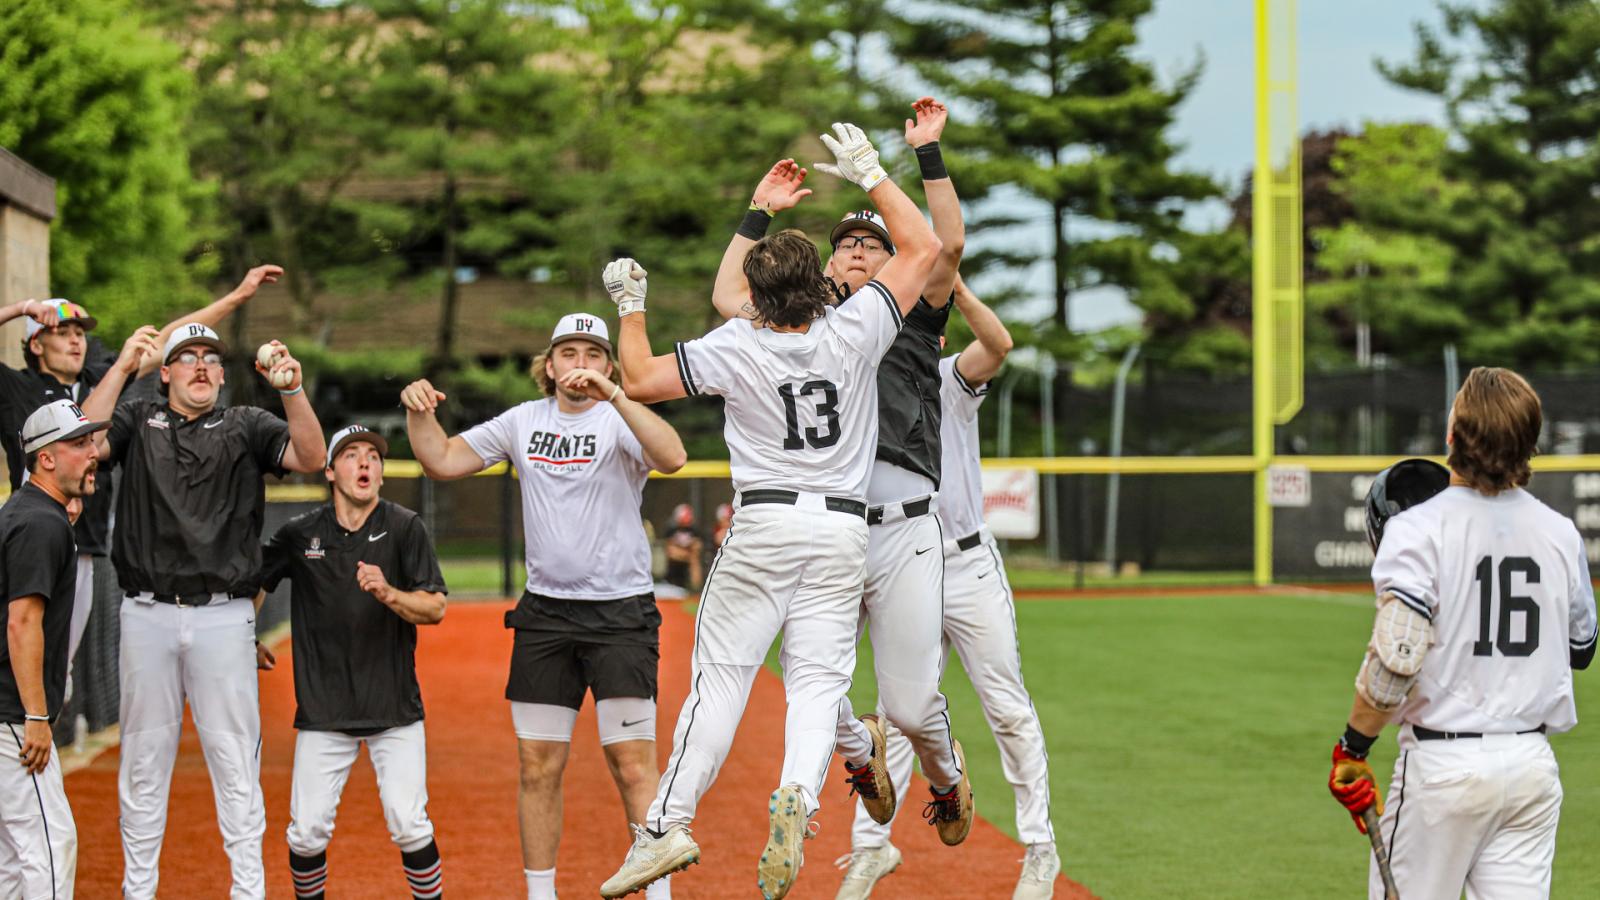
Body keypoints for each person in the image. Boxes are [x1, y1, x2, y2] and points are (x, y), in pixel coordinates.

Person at [599, 120, 945, 900]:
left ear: (756, 296)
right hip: (840, 528)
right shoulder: (854, 326)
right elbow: (920, 250)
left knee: (722, 679)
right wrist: (869, 173)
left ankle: (666, 824)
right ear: (819, 285)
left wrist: (631, 302)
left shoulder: (738, 342)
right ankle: (798, 794)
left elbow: (642, 373)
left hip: (761, 525)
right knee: (819, 683)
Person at [708, 100, 974, 845]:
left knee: (915, 708)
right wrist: (758, 214)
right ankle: (861, 757)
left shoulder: (912, 309)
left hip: (906, 526)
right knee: (811, 687)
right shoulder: (808, 316)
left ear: (897, 258)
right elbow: (729, 298)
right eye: (847, 243)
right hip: (830, 526)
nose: (858, 251)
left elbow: (945, 241)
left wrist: (911, 162)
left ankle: (947, 780)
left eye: (873, 243)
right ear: (827, 263)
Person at [401, 312, 687, 900]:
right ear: (549, 364)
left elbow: (673, 456)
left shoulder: (620, 419)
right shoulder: (522, 421)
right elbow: (444, 460)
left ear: (608, 365)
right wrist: (417, 412)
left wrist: (617, 394)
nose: (579, 363)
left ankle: (655, 893)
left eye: (593, 353)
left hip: (621, 615)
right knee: (537, 767)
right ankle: (540, 894)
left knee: (633, 766)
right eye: (568, 352)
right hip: (546, 617)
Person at [78, 320, 327, 900]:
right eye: (186, 357)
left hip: (222, 615)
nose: (199, 366)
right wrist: (120, 370)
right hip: (147, 612)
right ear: (164, 373)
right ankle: (138, 891)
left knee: (235, 762)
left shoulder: (246, 423)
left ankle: (248, 891)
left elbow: (312, 456)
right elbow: (85, 441)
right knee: (144, 762)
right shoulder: (138, 418)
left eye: (210, 359)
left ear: (221, 373)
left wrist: (291, 388)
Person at [1326, 367, 1597, 899]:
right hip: (1530, 770)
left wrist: (1353, 748)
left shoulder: (1419, 527)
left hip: (1443, 771)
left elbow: (1396, 658)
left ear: (1452, 437)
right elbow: (1582, 648)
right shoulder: (1559, 532)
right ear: (1529, 444)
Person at [836, 276, 1058, 898]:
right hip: (900, 560)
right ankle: (870, 849)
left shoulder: (944, 373)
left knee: (1006, 705)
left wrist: (954, 288)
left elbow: (999, 343)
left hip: (963, 564)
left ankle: (1040, 847)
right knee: (898, 712)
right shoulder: (847, 378)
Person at [0, 268, 281, 682]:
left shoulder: (99, 377)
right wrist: (23, 308)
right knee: (18, 649)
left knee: (59, 668)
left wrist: (238, 296)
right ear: (36, 343)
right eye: (63, 331)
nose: (77, 339)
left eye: (81, 331)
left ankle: (40, 733)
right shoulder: (16, 386)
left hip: (82, 547)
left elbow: (170, 338)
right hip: (33, 537)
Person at [261, 425, 448, 900]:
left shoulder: (406, 527)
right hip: (324, 711)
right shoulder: (300, 534)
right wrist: (245, 633)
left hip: (393, 708)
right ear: (329, 470)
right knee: (305, 833)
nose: (365, 463)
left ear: (381, 475)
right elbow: (254, 581)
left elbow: (435, 608)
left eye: (373, 457)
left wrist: (389, 592)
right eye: (351, 455)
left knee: (409, 824)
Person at [0, 400, 109, 898]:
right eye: (80, 444)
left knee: (11, 860)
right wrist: (37, 718)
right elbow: (22, 622)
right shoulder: (40, 523)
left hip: (4, 712)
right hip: (13, 716)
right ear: (45, 458)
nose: (94, 453)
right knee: (48, 846)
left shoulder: (26, 513)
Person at [660, 504, 704, 595]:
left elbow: (697, 548)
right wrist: (686, 552)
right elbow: (670, 550)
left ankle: (696, 588)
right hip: (674, 567)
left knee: (694, 560)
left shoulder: (693, 530)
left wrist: (684, 551)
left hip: (687, 564)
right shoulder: (672, 530)